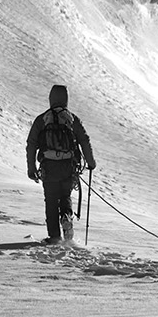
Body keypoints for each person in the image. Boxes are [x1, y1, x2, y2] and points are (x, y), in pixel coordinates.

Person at [26, 84, 96, 243]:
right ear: (66, 99)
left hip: (48, 166)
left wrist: (31, 168)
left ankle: (54, 236)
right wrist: (91, 162)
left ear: (50, 98)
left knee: (50, 199)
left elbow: (31, 144)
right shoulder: (71, 119)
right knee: (65, 195)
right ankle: (66, 216)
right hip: (68, 166)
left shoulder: (42, 119)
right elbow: (84, 140)